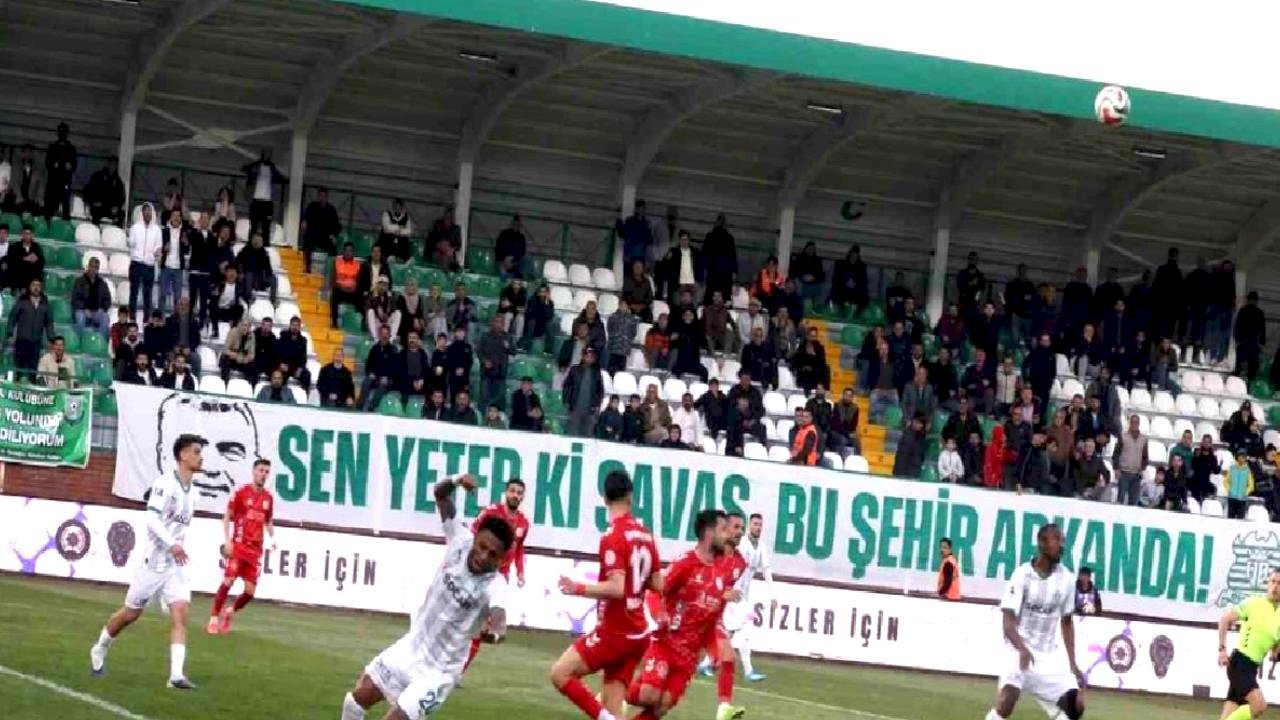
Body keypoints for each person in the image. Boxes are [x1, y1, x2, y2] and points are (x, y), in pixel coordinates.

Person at [340, 474, 512, 720]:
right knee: (354, 703)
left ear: (501, 559)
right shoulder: (459, 540)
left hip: (439, 672)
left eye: (493, 554)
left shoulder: (495, 585)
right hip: (410, 648)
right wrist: (456, 480)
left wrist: (492, 635)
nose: (484, 556)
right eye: (482, 547)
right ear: (475, 538)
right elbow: (440, 494)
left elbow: (500, 625)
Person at [90, 434, 206, 689]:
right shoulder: (165, 483)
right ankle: (100, 647)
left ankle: (176, 676)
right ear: (183, 455)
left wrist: (178, 547)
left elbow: (180, 528)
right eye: (197, 452)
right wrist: (172, 543)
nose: (201, 457)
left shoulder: (194, 494)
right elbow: (152, 520)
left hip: (174, 565)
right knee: (130, 614)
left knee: (180, 614)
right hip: (152, 563)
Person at [551, 470, 660, 720]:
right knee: (613, 707)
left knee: (560, 674)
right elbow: (657, 583)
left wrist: (578, 587)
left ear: (605, 498)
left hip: (616, 631)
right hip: (638, 633)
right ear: (630, 496)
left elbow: (616, 588)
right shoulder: (646, 534)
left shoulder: (613, 536)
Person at [627, 510, 740, 720]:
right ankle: (616, 688)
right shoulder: (685, 563)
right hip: (667, 644)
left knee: (662, 707)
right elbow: (654, 592)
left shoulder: (721, 572)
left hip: (689, 657)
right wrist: (660, 614)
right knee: (649, 696)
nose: (728, 535)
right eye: (724, 529)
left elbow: (710, 621)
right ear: (709, 532)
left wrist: (714, 651)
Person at [985, 523, 1084, 720]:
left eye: (1063, 541)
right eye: (1057, 540)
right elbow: (1008, 622)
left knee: (1076, 706)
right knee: (1007, 701)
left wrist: (1073, 663)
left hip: (1048, 655)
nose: (1062, 546)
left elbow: (1066, 622)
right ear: (1042, 543)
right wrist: (1022, 648)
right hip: (1018, 649)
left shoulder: (1067, 579)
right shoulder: (1022, 575)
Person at [462, 479, 530, 670]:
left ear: (522, 496)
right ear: (506, 493)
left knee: (482, 624)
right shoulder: (491, 512)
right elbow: (473, 533)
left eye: (519, 492)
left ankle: (460, 670)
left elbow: (519, 548)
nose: (515, 495)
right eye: (512, 491)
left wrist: (520, 571)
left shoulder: (523, 523)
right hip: (480, 572)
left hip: (500, 577)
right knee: (465, 617)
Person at [207, 459, 276, 635]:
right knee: (228, 581)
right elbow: (227, 516)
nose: (264, 474)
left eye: (267, 472)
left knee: (250, 592)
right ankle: (213, 618)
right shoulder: (241, 493)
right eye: (261, 470)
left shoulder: (268, 498)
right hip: (239, 546)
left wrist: (272, 537)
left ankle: (230, 611)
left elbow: (268, 521)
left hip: (255, 551)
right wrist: (227, 540)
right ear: (254, 471)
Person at [1215, 568, 1280, 720]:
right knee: (1259, 705)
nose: (1275, 586)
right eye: (1273, 581)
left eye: (1279, 583)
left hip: (1252, 668)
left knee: (1229, 714)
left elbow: (1274, 648)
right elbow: (1225, 619)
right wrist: (1222, 650)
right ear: (1267, 583)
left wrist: (1275, 652)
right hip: (1240, 663)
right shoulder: (1254, 603)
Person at [6, 278, 53, 381]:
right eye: (33, 285)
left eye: (38, 285)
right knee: (19, 369)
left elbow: (49, 323)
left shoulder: (45, 303)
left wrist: (51, 339)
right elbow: (12, 318)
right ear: (29, 287)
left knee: (33, 370)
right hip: (22, 340)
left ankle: (32, 387)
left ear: (41, 288)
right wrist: (10, 334)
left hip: (36, 342)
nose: (36, 288)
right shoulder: (22, 301)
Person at [127, 203, 162, 317]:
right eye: (145, 211)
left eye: (149, 211)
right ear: (142, 213)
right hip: (136, 263)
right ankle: (132, 317)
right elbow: (130, 243)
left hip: (149, 265)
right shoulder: (135, 227)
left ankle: (147, 319)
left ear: (152, 213)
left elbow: (158, 245)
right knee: (133, 292)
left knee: (148, 294)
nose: (147, 213)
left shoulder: (157, 230)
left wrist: (157, 252)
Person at [242, 150, 285, 242]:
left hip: (267, 202)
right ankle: (251, 244)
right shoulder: (256, 167)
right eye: (265, 155)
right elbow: (244, 169)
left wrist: (273, 167)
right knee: (253, 226)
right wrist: (257, 162)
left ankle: (265, 245)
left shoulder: (272, 169)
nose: (266, 157)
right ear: (262, 156)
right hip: (256, 201)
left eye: (268, 155)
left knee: (266, 227)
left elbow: (281, 179)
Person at [563, 347, 604, 437]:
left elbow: (600, 390)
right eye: (587, 356)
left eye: (591, 357)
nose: (589, 358)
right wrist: (566, 401)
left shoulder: (596, 373)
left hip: (590, 409)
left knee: (586, 434)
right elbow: (567, 386)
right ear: (583, 357)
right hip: (575, 406)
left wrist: (597, 405)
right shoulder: (574, 370)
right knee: (572, 431)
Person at [361, 325, 402, 411]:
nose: (384, 336)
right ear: (379, 335)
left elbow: (396, 369)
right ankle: (361, 405)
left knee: (383, 385)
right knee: (366, 382)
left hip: (388, 379)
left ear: (389, 336)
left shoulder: (394, 350)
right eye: (382, 333)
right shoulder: (374, 349)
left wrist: (388, 377)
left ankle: (371, 407)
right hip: (375, 377)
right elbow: (368, 365)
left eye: (386, 334)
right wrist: (370, 373)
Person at [301, 186, 342, 268]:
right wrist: (304, 223)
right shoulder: (312, 206)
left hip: (325, 236)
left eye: (324, 196)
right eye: (320, 196)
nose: (322, 198)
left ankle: (333, 269)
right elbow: (305, 217)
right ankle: (307, 268)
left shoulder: (331, 210)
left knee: (333, 250)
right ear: (318, 196)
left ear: (327, 197)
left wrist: (334, 235)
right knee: (307, 246)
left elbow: (337, 225)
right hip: (312, 235)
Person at [43, 122, 76, 222]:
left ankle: (65, 224)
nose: (62, 133)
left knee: (65, 205)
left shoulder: (71, 148)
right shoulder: (52, 147)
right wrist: (54, 165)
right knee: (50, 205)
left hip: (65, 180)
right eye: (60, 131)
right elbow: (48, 163)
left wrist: (69, 166)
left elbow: (74, 165)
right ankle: (47, 223)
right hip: (53, 180)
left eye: (64, 131)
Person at [1112, 414, 1148, 506]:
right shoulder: (1123, 437)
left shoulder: (1143, 439)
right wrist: (1116, 468)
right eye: (1132, 422)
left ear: (1139, 424)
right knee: (1120, 499)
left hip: (1137, 474)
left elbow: (1145, 457)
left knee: (1134, 501)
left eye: (1136, 422)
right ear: (1130, 423)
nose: (1134, 424)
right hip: (1124, 473)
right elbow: (1115, 454)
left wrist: (1142, 468)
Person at [71, 256, 112, 336]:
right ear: (88, 266)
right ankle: (78, 340)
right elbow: (75, 299)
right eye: (92, 266)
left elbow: (108, 300)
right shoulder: (79, 281)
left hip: (97, 313)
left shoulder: (102, 283)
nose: (93, 269)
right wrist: (84, 309)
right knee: (80, 317)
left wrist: (101, 309)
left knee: (105, 317)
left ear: (98, 269)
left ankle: (100, 341)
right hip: (83, 312)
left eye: (96, 267)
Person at [157, 208, 187, 315]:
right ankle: (160, 318)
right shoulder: (164, 231)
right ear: (170, 217)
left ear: (181, 218)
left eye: (178, 216)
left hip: (178, 268)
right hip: (166, 267)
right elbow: (158, 247)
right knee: (162, 294)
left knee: (177, 297)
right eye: (174, 215)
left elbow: (187, 250)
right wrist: (164, 248)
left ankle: (176, 318)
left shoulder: (184, 232)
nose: (176, 218)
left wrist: (186, 243)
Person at [236, 231, 277, 305]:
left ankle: (273, 301)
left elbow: (268, 269)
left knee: (273, 278)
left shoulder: (264, 253)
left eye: (259, 240)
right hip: (247, 278)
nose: (257, 242)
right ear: (251, 240)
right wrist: (240, 272)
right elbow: (238, 263)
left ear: (262, 242)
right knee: (249, 274)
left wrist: (268, 275)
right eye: (255, 240)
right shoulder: (245, 251)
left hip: (261, 279)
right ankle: (248, 298)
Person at [1235, 291, 1267, 383]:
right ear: (1256, 301)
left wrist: (1238, 339)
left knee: (1240, 365)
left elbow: (1237, 326)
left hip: (1243, 341)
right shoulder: (1259, 313)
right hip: (1254, 343)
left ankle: (1237, 382)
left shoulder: (1243, 311)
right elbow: (1263, 329)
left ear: (1248, 300)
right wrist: (1262, 342)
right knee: (1252, 367)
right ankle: (1249, 384)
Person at [330, 242, 363, 328]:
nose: (348, 253)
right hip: (340, 290)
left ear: (353, 252)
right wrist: (342, 287)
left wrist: (354, 288)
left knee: (361, 295)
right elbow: (333, 281)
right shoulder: (337, 262)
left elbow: (359, 281)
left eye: (350, 251)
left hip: (352, 292)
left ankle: (359, 323)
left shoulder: (357, 265)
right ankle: (334, 322)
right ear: (343, 252)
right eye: (346, 251)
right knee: (334, 293)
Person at [6, 224, 44, 297]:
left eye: (29, 234)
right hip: (18, 278)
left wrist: (37, 259)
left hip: (31, 279)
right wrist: (25, 258)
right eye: (25, 233)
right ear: (22, 235)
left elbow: (42, 262)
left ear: (32, 235)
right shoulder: (15, 246)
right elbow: (11, 261)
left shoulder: (36, 247)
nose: (27, 236)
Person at [84, 160, 125, 226]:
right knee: (96, 211)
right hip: (98, 206)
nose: (112, 166)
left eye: (114, 165)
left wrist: (117, 206)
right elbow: (88, 190)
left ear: (116, 166)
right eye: (111, 164)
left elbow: (121, 198)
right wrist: (92, 202)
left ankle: (116, 231)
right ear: (107, 164)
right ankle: (95, 229)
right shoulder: (98, 176)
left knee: (121, 214)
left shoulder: (118, 181)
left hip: (110, 208)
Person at [605, 302, 637, 374]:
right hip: (613, 347)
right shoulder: (613, 317)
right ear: (619, 306)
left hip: (624, 349)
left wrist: (627, 339)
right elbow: (609, 329)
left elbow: (633, 332)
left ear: (627, 307)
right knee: (611, 369)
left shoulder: (631, 319)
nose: (623, 308)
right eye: (621, 306)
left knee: (621, 371)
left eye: (625, 306)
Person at [893, 414, 927, 478]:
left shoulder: (922, 437)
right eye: (916, 422)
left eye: (920, 423)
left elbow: (922, 455)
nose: (918, 425)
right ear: (912, 422)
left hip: (914, 469)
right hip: (903, 469)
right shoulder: (907, 435)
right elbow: (901, 455)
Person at [493, 214, 526, 278]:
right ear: (512, 224)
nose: (516, 226)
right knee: (501, 268)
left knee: (523, 261)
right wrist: (504, 258)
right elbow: (498, 248)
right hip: (503, 260)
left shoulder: (521, 237)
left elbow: (522, 252)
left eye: (517, 224)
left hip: (514, 261)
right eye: (514, 223)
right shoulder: (504, 234)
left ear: (519, 225)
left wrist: (513, 258)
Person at [1226, 451, 1255, 520]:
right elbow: (1226, 481)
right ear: (1237, 457)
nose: (1242, 458)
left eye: (1244, 457)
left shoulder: (1248, 470)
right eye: (1240, 456)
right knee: (1230, 519)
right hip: (1232, 498)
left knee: (1240, 520)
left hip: (1242, 499)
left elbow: (1251, 485)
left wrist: (1245, 492)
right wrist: (1230, 490)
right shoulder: (1232, 468)